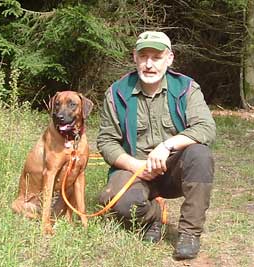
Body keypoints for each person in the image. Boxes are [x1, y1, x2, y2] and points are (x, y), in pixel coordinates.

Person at [96, 31, 216, 260]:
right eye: (143, 57)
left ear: (169, 58)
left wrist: (167, 146)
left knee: (200, 154)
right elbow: (106, 140)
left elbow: (206, 128)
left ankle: (189, 233)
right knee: (117, 203)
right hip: (135, 170)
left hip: (173, 168)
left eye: (157, 57)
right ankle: (152, 216)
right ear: (135, 57)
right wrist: (134, 165)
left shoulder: (186, 88)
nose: (149, 64)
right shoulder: (116, 93)